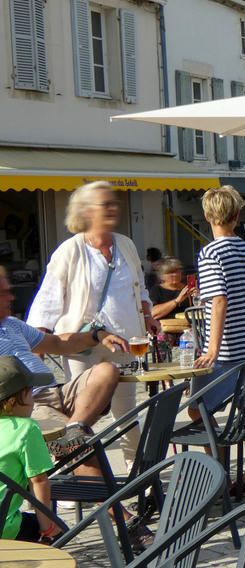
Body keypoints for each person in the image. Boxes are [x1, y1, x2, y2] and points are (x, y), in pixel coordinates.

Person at [0, 272, 154, 549]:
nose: (11, 297)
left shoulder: (11, 325)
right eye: (3, 293)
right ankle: (125, 522)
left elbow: (59, 343)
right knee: (79, 447)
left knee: (108, 370)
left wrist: (97, 335)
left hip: (52, 392)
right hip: (22, 407)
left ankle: (74, 430)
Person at [26, 180, 157, 467]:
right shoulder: (69, 251)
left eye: (114, 202)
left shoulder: (126, 244)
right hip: (83, 347)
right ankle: (81, 484)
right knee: (83, 418)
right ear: (86, 211)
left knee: (126, 415)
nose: (113, 208)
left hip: (125, 342)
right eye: (105, 204)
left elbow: (139, 287)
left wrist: (147, 314)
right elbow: (48, 301)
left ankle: (138, 478)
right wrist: (37, 348)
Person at [192, 186, 245, 493]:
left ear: (208, 216)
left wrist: (211, 348)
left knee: (198, 409)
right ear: (237, 217)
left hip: (227, 349)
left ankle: (218, 474)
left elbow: (219, 301)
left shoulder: (210, 253)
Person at [0, 356, 59, 543]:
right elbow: (39, 481)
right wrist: (48, 527)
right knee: (58, 533)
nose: (33, 400)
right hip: (4, 527)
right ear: (11, 401)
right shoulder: (26, 428)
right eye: (30, 393)